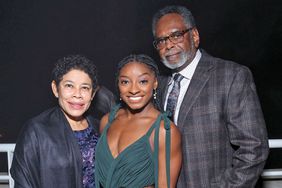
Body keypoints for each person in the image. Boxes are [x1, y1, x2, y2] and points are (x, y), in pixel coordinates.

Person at [151, 5, 269, 188]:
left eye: (176, 35)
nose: (168, 45)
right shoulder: (159, 84)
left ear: (195, 36)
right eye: (161, 41)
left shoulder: (230, 76)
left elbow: (254, 148)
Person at [11, 54, 115, 188]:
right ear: (56, 89)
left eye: (84, 88)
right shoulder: (36, 130)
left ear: (92, 94)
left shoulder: (98, 127)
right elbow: (23, 182)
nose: (77, 94)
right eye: (69, 86)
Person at [95, 54, 182, 188]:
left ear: (155, 83)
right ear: (118, 85)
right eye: (125, 82)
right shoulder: (107, 121)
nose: (134, 90)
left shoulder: (164, 131)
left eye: (142, 81)